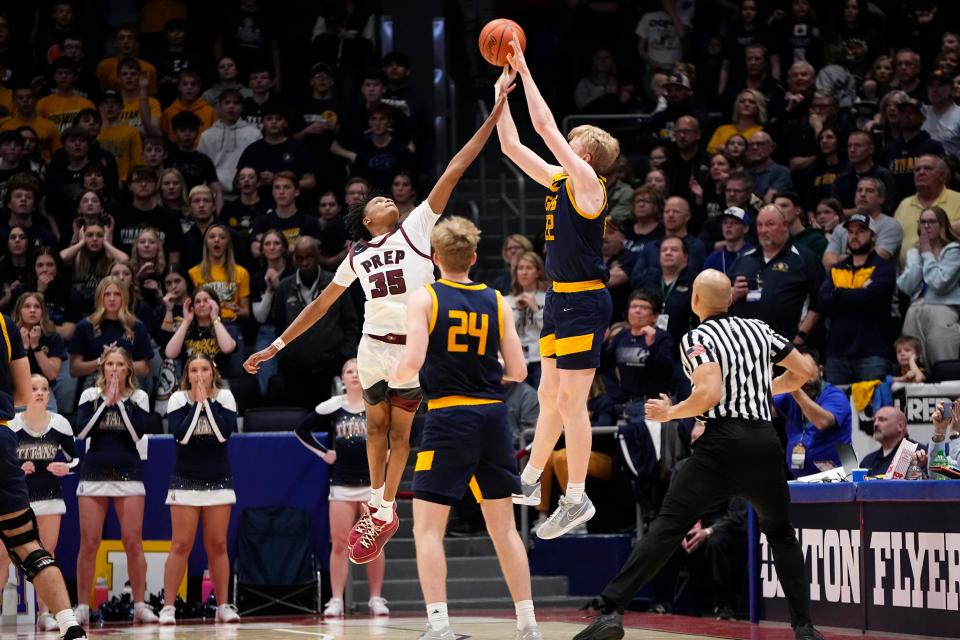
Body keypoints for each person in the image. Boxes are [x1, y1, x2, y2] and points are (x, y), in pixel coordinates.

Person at [244, 90, 511, 563]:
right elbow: (321, 305)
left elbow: (454, 169)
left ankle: (382, 506)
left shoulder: (418, 229)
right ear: (367, 221)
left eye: (391, 195)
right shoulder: (356, 255)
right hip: (371, 347)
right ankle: (380, 505)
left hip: (412, 349)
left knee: (401, 434)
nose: (390, 196)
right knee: (374, 429)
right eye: (379, 199)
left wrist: (490, 118)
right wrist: (276, 346)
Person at [572, 269, 823, 640]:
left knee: (669, 525)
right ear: (729, 300)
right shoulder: (759, 329)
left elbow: (707, 394)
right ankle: (805, 628)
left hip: (721, 445)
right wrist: (763, 387)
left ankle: (611, 611)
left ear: (695, 301)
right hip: (764, 442)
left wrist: (669, 412)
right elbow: (806, 371)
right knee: (781, 534)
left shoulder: (698, 336)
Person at [391, 216, 541, 640]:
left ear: (434, 257)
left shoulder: (425, 298)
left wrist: (391, 381)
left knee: (426, 528)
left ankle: (439, 625)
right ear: (473, 257)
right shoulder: (496, 299)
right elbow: (516, 369)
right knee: (505, 527)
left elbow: (414, 360)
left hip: (449, 416)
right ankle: (528, 624)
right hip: (493, 417)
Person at [496, 39, 619, 538]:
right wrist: (500, 98)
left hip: (585, 299)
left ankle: (575, 497)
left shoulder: (589, 186)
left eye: (572, 143)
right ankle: (529, 479)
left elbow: (544, 128)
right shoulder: (558, 183)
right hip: (560, 299)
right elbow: (512, 147)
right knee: (548, 394)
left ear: (584, 154)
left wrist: (524, 69)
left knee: (571, 401)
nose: (561, 143)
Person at [0, 315, 86, 639]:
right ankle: (70, 626)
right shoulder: (5, 324)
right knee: (28, 545)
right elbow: (22, 393)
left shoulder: (59, 425)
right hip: (3, 437)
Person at [294, 358, 389, 619]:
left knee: (374, 544)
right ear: (342, 379)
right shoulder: (333, 406)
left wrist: (391, 449)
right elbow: (301, 429)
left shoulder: (377, 403)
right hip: (342, 484)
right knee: (339, 544)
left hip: (372, 485)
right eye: (349, 371)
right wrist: (324, 453)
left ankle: (375, 598)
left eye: (359, 370)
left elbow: (401, 429)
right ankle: (336, 599)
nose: (355, 375)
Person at [73, 345, 156, 625]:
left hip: (128, 473)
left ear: (128, 369)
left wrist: (118, 402)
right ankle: (82, 606)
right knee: (89, 543)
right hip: (94, 473)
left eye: (120, 365)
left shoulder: (139, 396)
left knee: (133, 541)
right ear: (102, 368)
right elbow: (81, 431)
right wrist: (106, 401)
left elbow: (136, 433)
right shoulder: (89, 396)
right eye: (110, 365)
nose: (115, 370)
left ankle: (140, 604)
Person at [159, 353, 240, 625]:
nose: (199, 375)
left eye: (204, 369)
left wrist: (207, 402)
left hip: (218, 478)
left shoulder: (225, 398)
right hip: (185, 479)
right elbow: (181, 436)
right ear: (187, 375)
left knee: (217, 545)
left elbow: (222, 434)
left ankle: (223, 605)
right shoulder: (177, 399)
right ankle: (168, 606)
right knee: (181, 544)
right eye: (194, 370)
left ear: (212, 373)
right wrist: (199, 404)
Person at [0, 374, 76, 630]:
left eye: (45, 388)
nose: (40, 393)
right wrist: (18, 468)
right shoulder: (11, 425)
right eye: (34, 388)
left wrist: (66, 467)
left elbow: (76, 459)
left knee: (46, 552)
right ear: (24, 393)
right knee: (1, 556)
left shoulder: (61, 424)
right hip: (18, 499)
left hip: (50, 497)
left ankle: (47, 614)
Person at [267, 237, 358, 407]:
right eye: (300, 258)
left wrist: (343, 355)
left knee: (329, 421)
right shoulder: (284, 288)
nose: (304, 262)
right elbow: (279, 325)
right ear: (294, 259)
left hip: (331, 368)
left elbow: (351, 323)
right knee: (299, 422)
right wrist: (285, 356)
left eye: (309, 257)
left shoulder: (336, 282)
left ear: (318, 257)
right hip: (295, 372)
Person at [818, 214, 896, 385]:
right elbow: (824, 302)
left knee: (876, 410)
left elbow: (870, 298)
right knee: (835, 409)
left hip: (872, 352)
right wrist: (858, 293)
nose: (854, 236)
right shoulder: (836, 269)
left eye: (861, 231)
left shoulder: (884, 269)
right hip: (836, 353)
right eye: (851, 231)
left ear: (873, 236)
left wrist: (838, 293)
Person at [729, 204, 823, 343]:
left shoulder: (804, 258)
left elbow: (818, 303)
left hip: (786, 347)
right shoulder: (744, 257)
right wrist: (733, 294)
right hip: (744, 347)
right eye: (759, 225)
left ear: (785, 225)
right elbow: (722, 297)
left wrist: (800, 337)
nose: (763, 230)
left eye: (770, 224)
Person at [897, 206, 960, 368]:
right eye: (922, 222)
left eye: (931, 221)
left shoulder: (954, 250)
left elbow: (939, 283)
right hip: (915, 310)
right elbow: (906, 286)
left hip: (942, 309)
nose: (926, 226)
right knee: (914, 363)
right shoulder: (914, 253)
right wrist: (919, 255)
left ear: (942, 225)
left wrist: (927, 254)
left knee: (943, 361)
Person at [773, 358, 853, 478]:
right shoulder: (790, 397)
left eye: (806, 372)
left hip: (841, 479)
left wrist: (793, 387)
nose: (803, 379)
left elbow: (823, 422)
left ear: (820, 370)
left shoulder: (836, 395)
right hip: (801, 481)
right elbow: (766, 410)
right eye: (797, 374)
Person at [68, 277, 154, 387]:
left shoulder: (136, 326)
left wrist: (118, 362)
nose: (112, 298)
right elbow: (74, 369)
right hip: (94, 385)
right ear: (100, 297)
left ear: (124, 297)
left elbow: (144, 368)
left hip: (128, 384)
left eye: (117, 294)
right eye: (107, 294)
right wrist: (101, 361)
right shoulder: (85, 326)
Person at [602, 289, 674, 405]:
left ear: (655, 316)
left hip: (654, 403)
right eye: (634, 306)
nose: (637, 310)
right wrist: (603, 343)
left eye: (644, 307)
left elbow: (666, 371)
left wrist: (651, 346)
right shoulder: (621, 336)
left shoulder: (662, 337)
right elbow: (603, 366)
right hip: (627, 403)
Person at [824, 177, 902, 268]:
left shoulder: (890, 225)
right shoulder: (841, 228)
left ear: (881, 199)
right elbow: (827, 262)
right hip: (842, 281)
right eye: (859, 190)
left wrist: (840, 258)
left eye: (869, 191)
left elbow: (877, 260)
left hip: (877, 280)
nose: (863, 194)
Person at [163, 285, 237, 373]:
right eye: (197, 301)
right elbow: (170, 353)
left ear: (215, 304)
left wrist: (214, 317)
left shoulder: (227, 329)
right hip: (191, 383)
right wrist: (186, 320)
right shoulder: (186, 331)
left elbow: (227, 348)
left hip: (218, 382)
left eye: (206, 300)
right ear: (192, 307)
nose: (202, 304)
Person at [13, 292, 66, 409]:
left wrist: (36, 346)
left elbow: (51, 374)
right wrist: (24, 348)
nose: (32, 310)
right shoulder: (9, 336)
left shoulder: (53, 337)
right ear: (19, 311)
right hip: (16, 390)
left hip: (43, 390)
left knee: (51, 419)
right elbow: (10, 376)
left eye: (37, 306)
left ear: (42, 312)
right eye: (27, 306)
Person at [505, 252, 547, 389]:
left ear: (538, 272)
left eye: (529, 268)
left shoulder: (547, 298)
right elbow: (504, 333)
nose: (524, 272)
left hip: (540, 360)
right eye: (520, 268)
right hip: (516, 359)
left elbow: (551, 331)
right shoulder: (506, 301)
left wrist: (536, 309)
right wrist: (517, 311)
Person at [858, 407, 918, 476]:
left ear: (900, 426)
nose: (875, 424)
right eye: (875, 420)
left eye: (882, 420)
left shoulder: (915, 453)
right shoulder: (868, 461)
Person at [707, 89, 765, 155]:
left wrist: (725, 149)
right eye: (742, 101)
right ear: (737, 106)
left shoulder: (762, 132)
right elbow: (710, 153)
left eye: (752, 102)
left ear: (758, 107)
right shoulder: (722, 130)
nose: (746, 104)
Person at [703, 207, 752, 277]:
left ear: (745, 229)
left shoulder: (753, 255)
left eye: (734, 223)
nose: (728, 226)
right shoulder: (713, 258)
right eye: (725, 222)